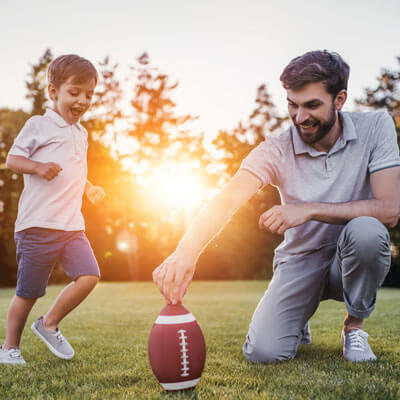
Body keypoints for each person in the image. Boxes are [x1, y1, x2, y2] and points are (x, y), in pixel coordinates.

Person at [153, 50, 400, 363]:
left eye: (312, 105)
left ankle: (354, 328)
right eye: (292, 105)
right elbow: (227, 199)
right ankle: (299, 316)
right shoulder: (276, 149)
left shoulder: (376, 127)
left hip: (351, 258)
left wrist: (308, 209)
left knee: (368, 232)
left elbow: (389, 209)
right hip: (300, 260)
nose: (299, 117)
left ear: (339, 100)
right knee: (263, 353)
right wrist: (186, 252)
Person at [0, 55, 105, 365]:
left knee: (89, 276)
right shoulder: (39, 124)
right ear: (53, 92)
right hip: (37, 224)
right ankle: (8, 348)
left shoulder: (81, 133)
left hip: (71, 226)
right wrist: (38, 166)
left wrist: (90, 188)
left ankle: (48, 324)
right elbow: (13, 160)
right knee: (29, 292)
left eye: (89, 94)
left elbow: (75, 170)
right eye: (75, 92)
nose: (83, 100)